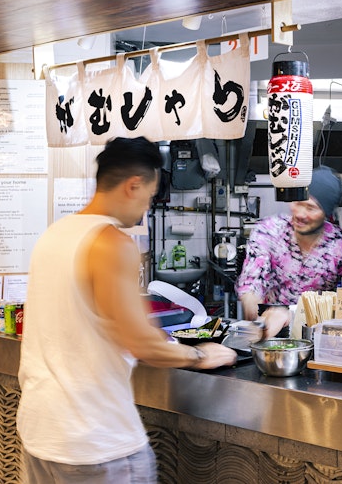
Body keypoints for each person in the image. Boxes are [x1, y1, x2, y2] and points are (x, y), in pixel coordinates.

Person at [16, 136, 239, 484]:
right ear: (134, 185)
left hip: (40, 433)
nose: (146, 208)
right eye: (149, 197)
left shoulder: (54, 235)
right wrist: (201, 355)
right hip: (96, 444)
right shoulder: (111, 243)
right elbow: (140, 343)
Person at [236, 166, 342, 324]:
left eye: (311, 208)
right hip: (271, 329)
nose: (301, 214)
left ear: (327, 213)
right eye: (298, 203)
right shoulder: (269, 232)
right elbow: (253, 279)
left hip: (319, 334)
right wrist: (250, 302)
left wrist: (294, 316)